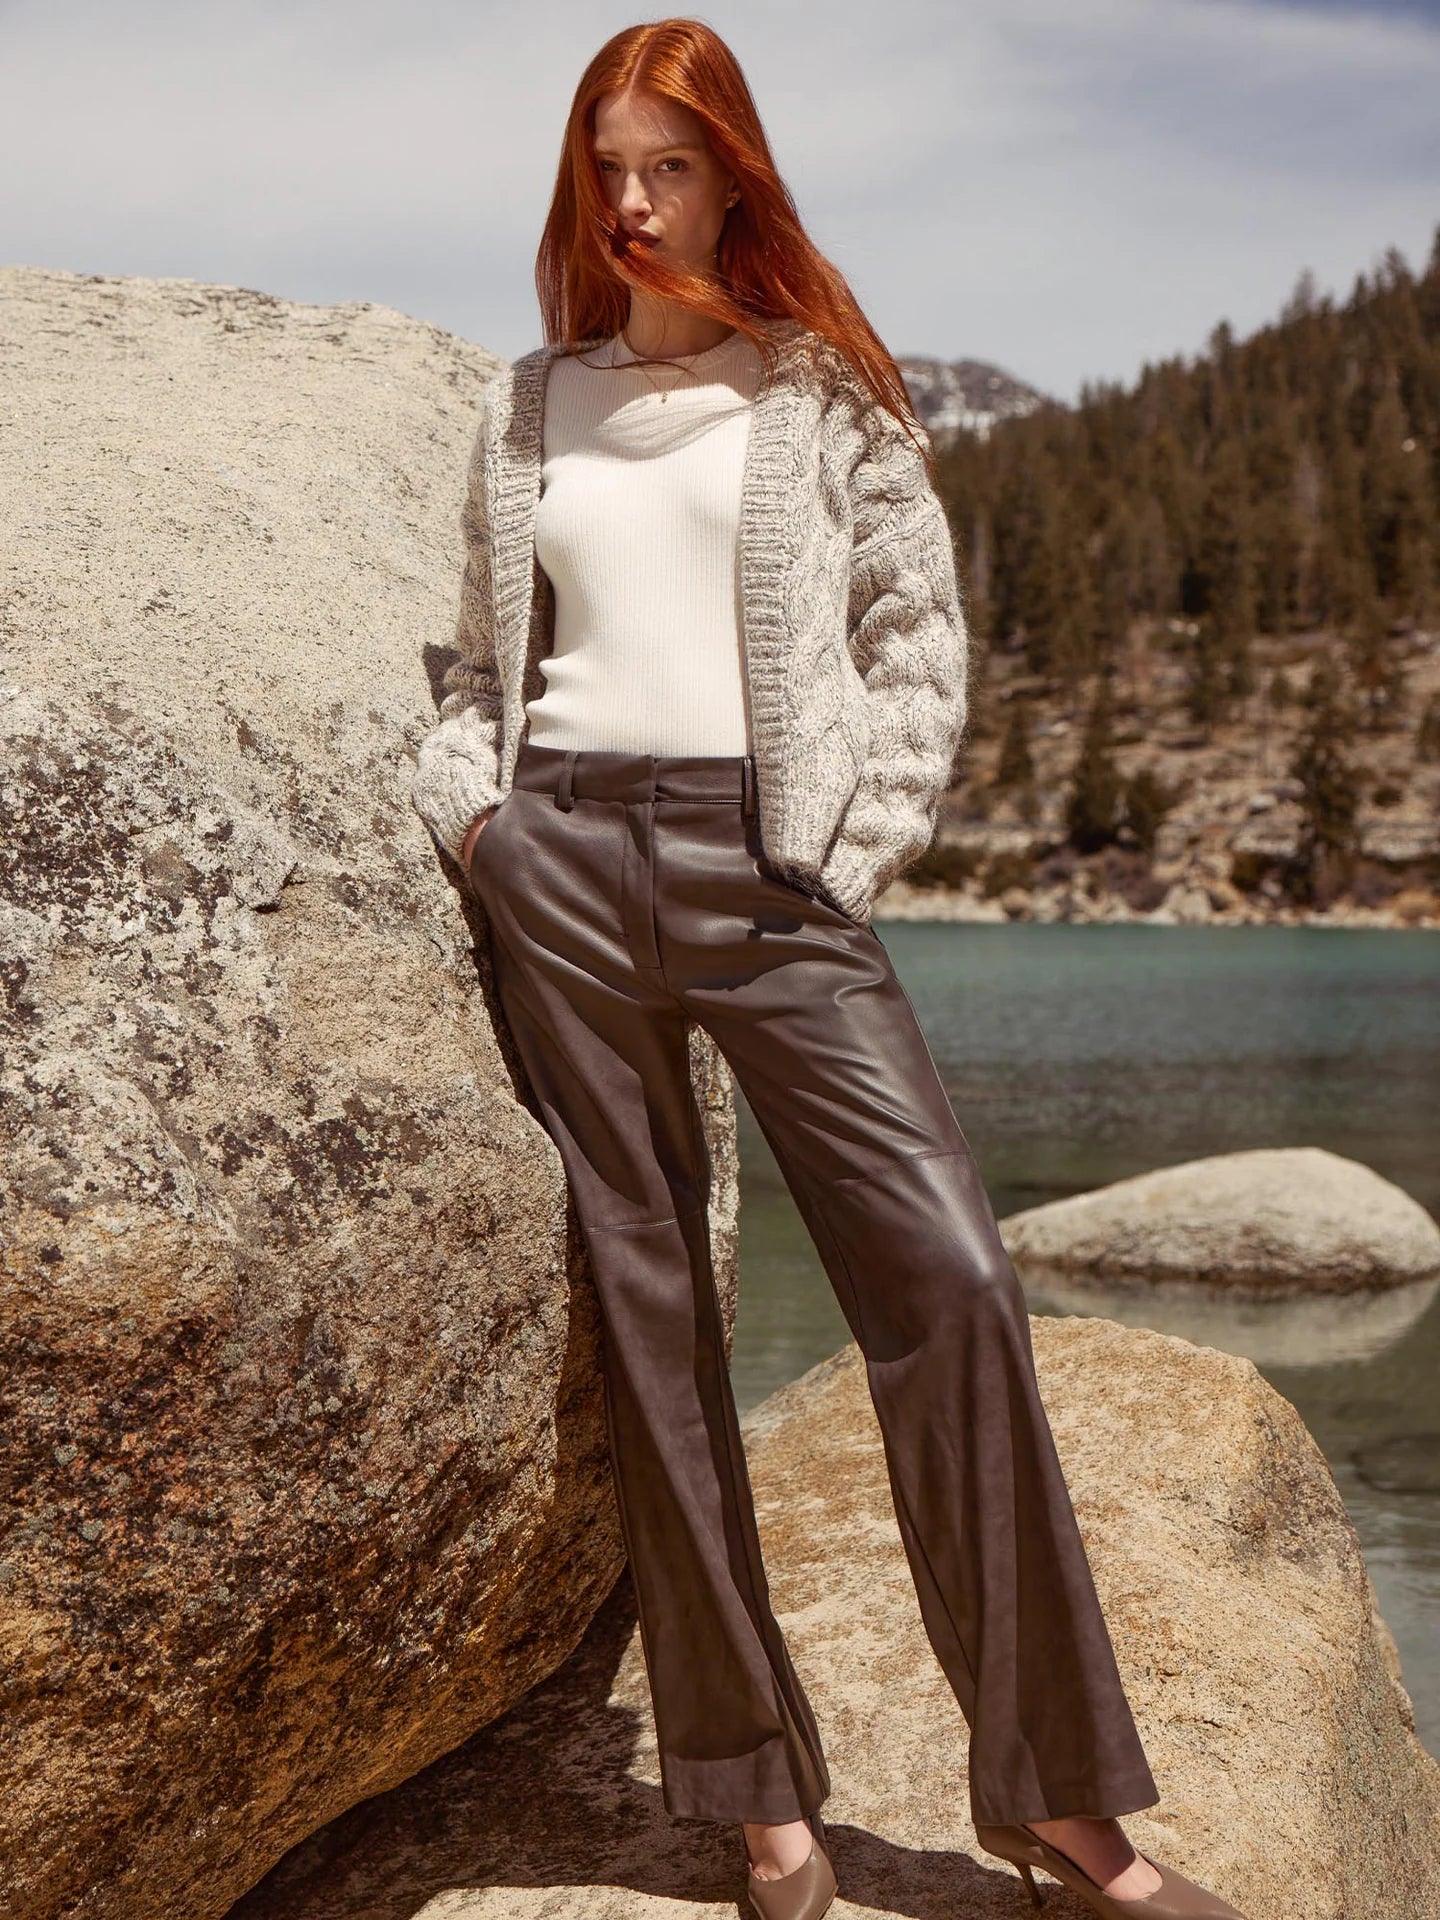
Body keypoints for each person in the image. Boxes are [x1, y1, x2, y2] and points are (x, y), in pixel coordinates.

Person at [411, 21, 1246, 1920]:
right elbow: (477, 660)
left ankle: (1062, 1817)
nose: (633, 200)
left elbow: (915, 637)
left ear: (736, 177)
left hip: (769, 866)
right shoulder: (525, 403)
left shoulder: (822, 393)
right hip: (562, 863)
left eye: (670, 165)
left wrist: (843, 853)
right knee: (651, 1320)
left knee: (953, 1279)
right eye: (606, 164)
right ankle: (761, 1808)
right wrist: (484, 820)